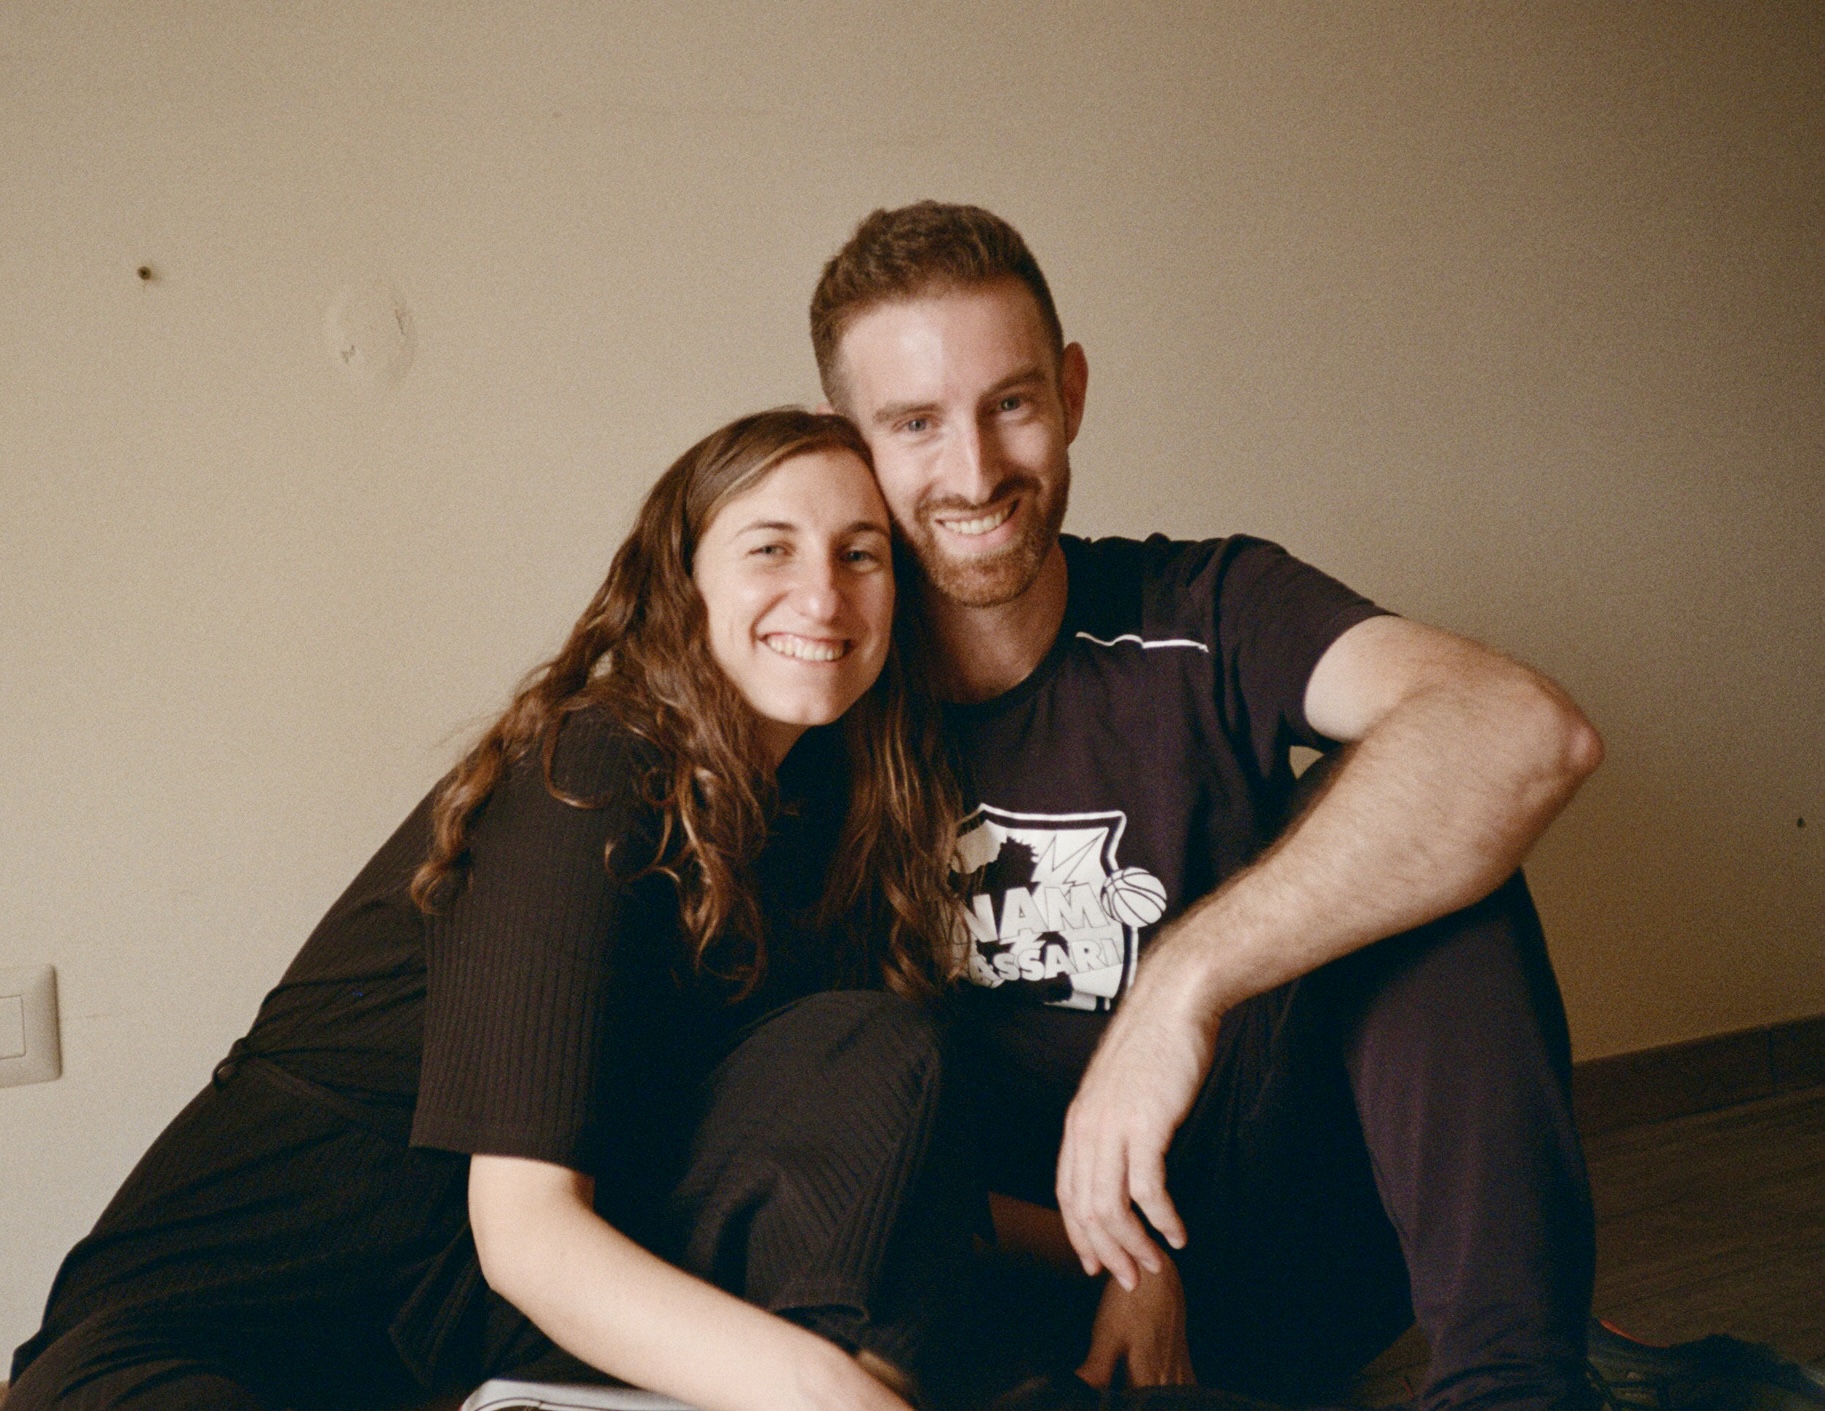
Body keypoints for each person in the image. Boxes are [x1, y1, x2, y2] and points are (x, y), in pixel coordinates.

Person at [8, 409, 973, 1411]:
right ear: (681, 585)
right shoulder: (590, 765)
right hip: (202, 1340)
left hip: (444, 1359)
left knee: (878, 1047)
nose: (822, 592)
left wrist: (1127, 1251)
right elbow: (528, 1235)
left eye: (861, 555)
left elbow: (881, 1154)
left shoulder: (806, 828)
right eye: (770, 546)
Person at [808, 202, 1606, 1411]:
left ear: (1071, 392)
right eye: (915, 423)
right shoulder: (817, 701)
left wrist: (1177, 986)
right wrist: (1113, 1265)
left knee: (1415, 809)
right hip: (1032, 1301)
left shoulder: (1209, 604)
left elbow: (1524, 733)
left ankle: (1516, 1387)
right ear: (848, 443)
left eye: (1010, 403)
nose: (973, 470)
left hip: (1289, 1237)